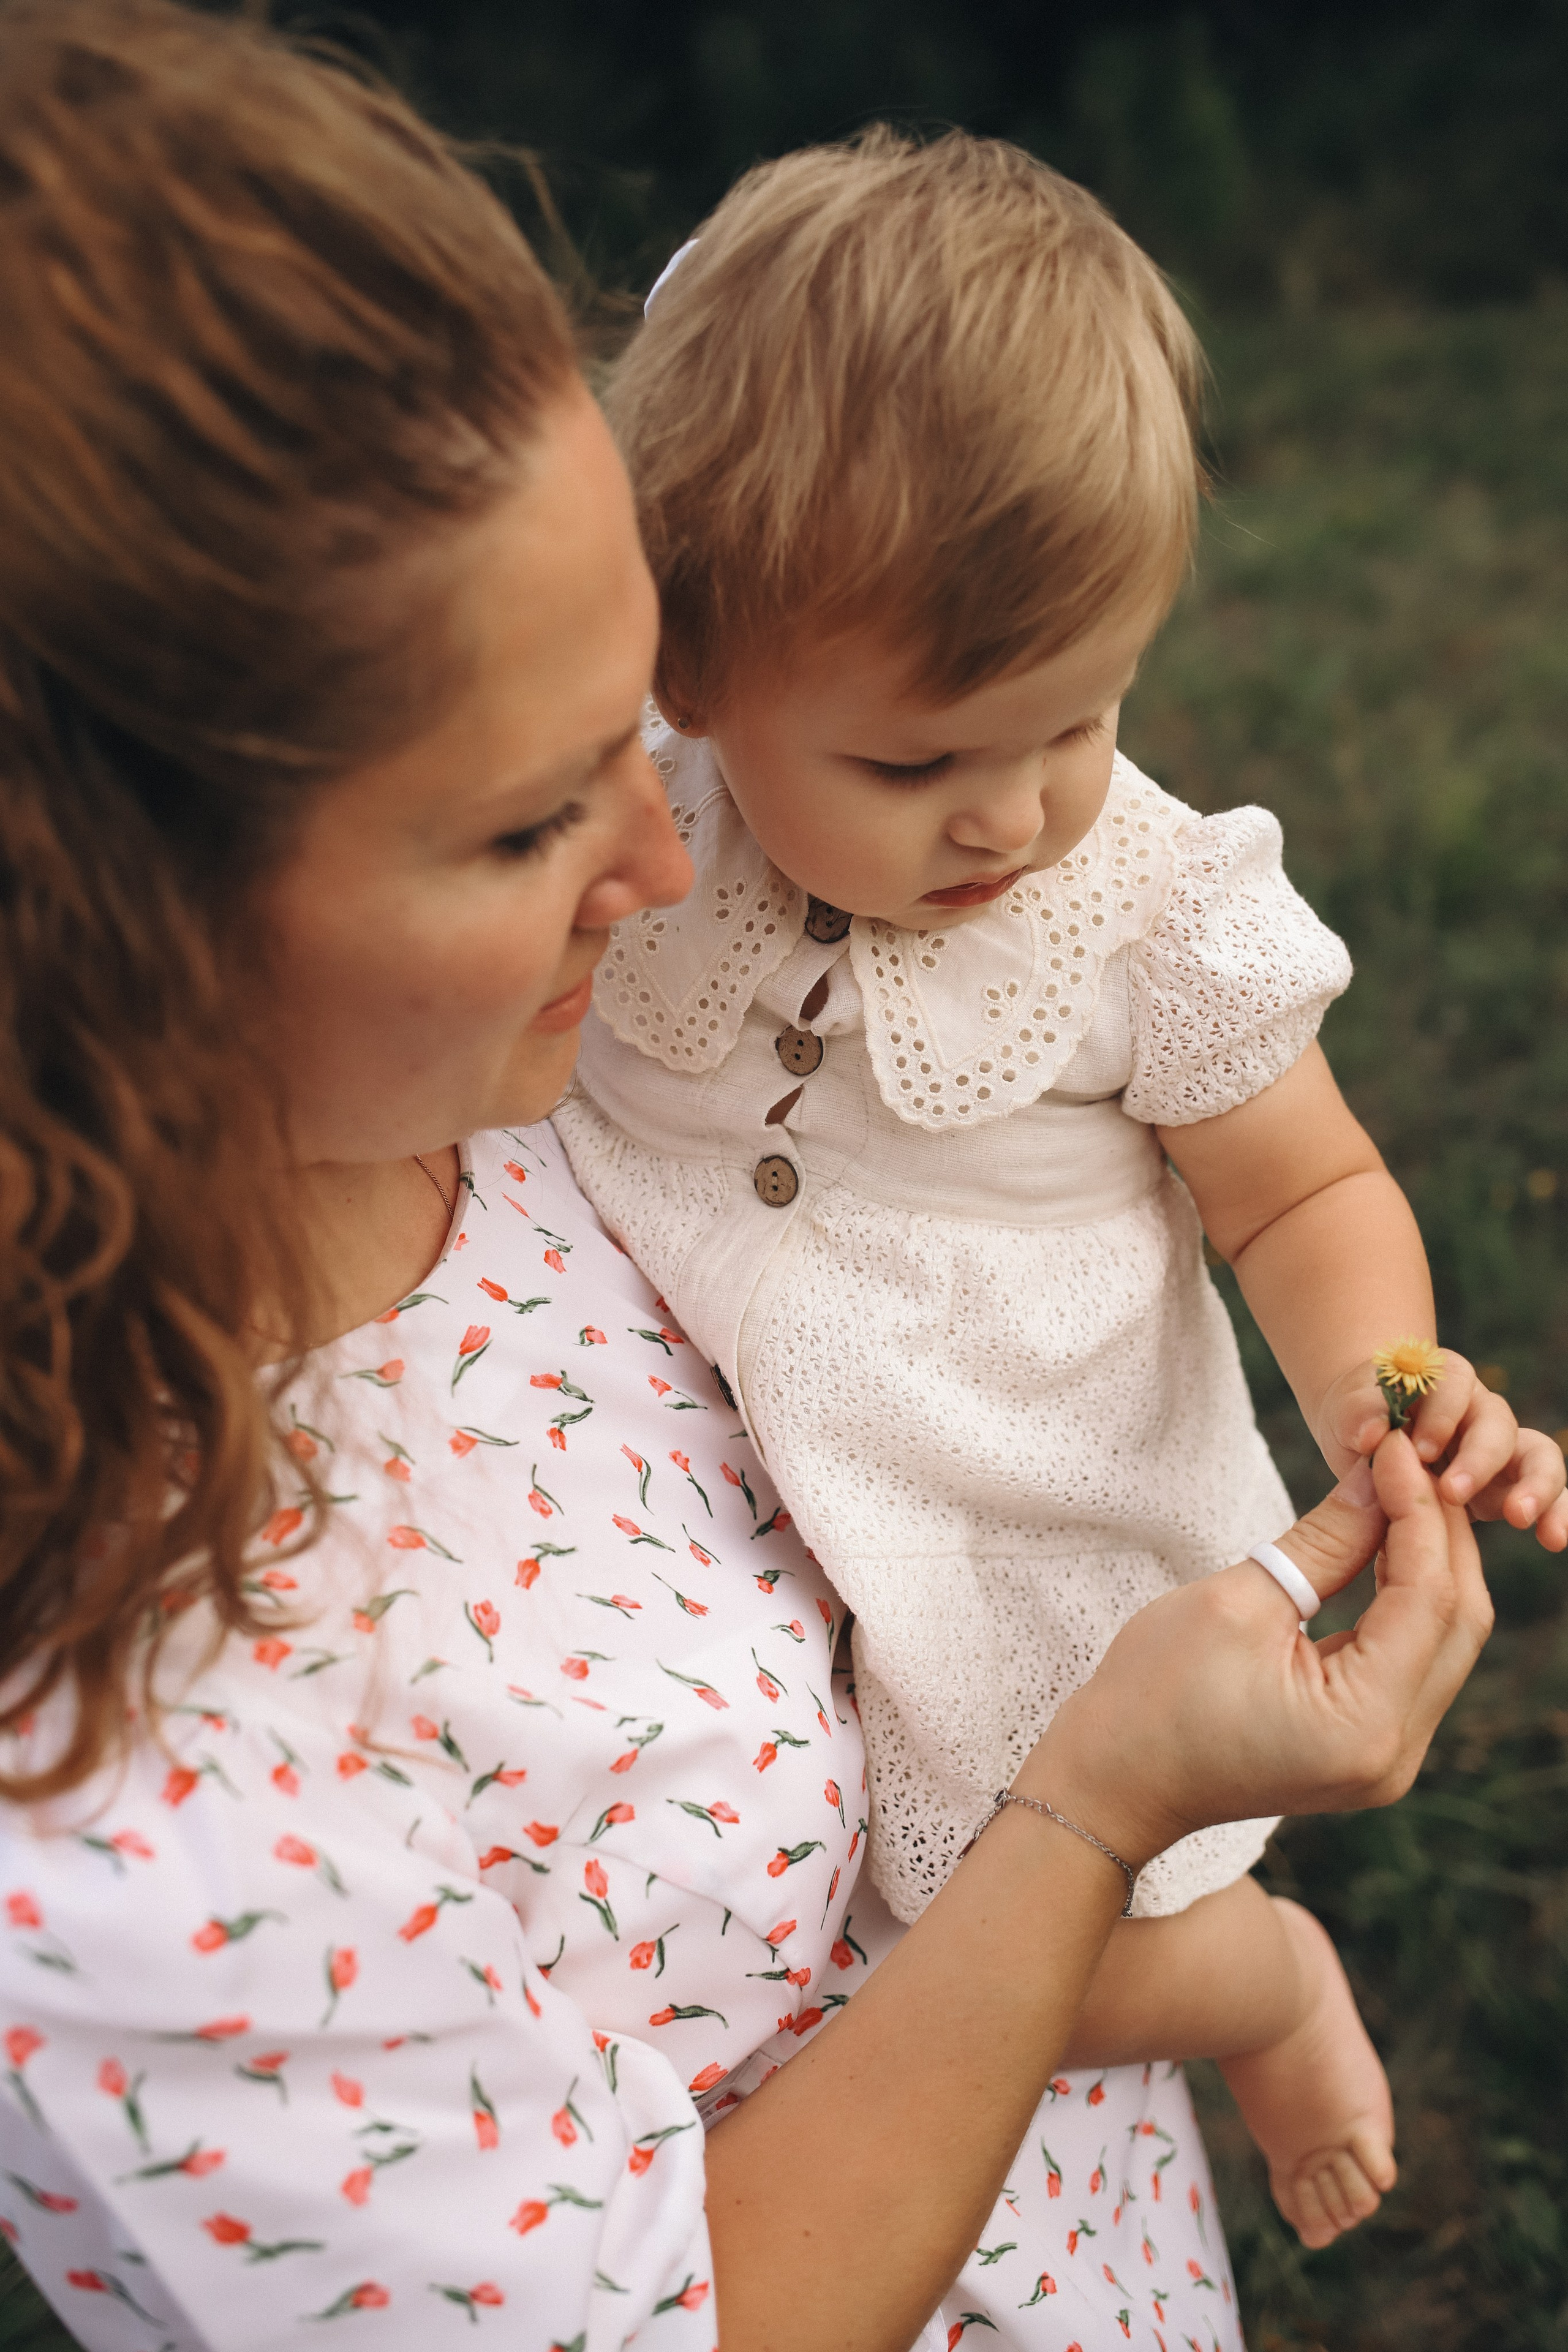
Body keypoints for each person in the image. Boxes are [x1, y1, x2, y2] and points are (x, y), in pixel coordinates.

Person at [0, 9, 1544, 2351]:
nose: (664, 860)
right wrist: (1097, 1814)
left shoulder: (442, 1086)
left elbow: (1287, 1173)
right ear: (111, 926)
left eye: (626, 717)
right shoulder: (127, 1771)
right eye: (528, 819)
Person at [556, 128, 1568, 2252]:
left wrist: (1383, 1378)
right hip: (704, 1512)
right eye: (916, 762)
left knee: (981, 1946)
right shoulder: (639, 824)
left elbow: (1303, 1187)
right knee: (725, 1932)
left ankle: (1267, 1984)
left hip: (1006, 1529)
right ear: (693, 671)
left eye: (1077, 722)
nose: (1010, 813)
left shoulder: (1151, 914)